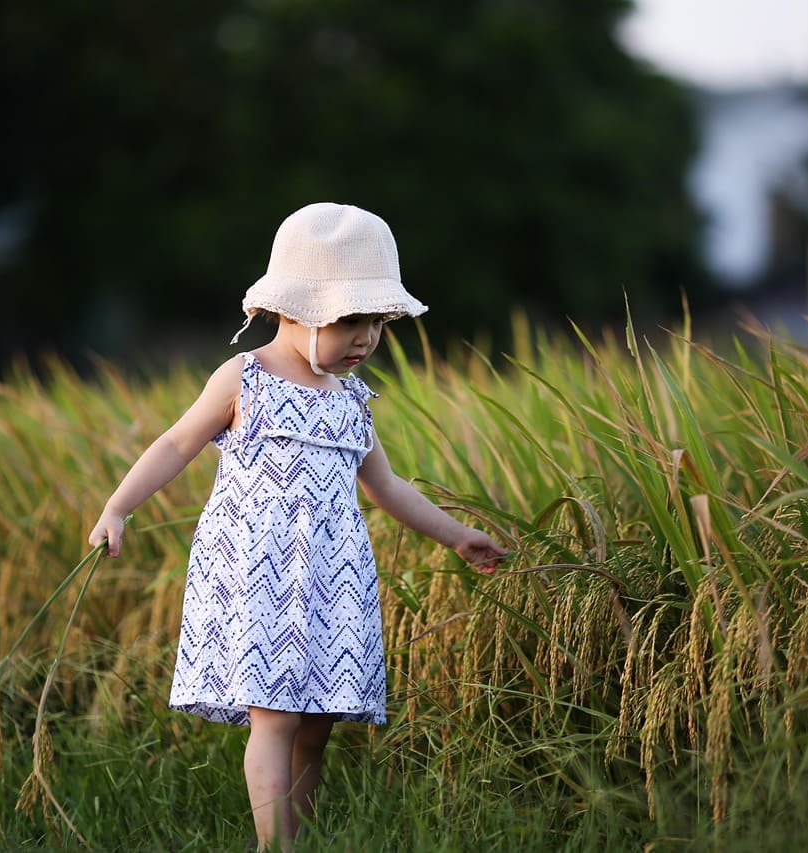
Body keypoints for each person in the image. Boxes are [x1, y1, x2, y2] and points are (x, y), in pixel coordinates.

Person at [88, 202, 507, 851]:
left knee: (317, 720)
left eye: (376, 322)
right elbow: (176, 443)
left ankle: (298, 836)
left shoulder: (351, 400)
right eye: (349, 321)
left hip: (330, 580)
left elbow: (387, 486)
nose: (365, 338)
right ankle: (273, 844)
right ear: (295, 306)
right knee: (277, 716)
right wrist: (118, 506)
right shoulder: (245, 378)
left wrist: (456, 534)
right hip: (260, 573)